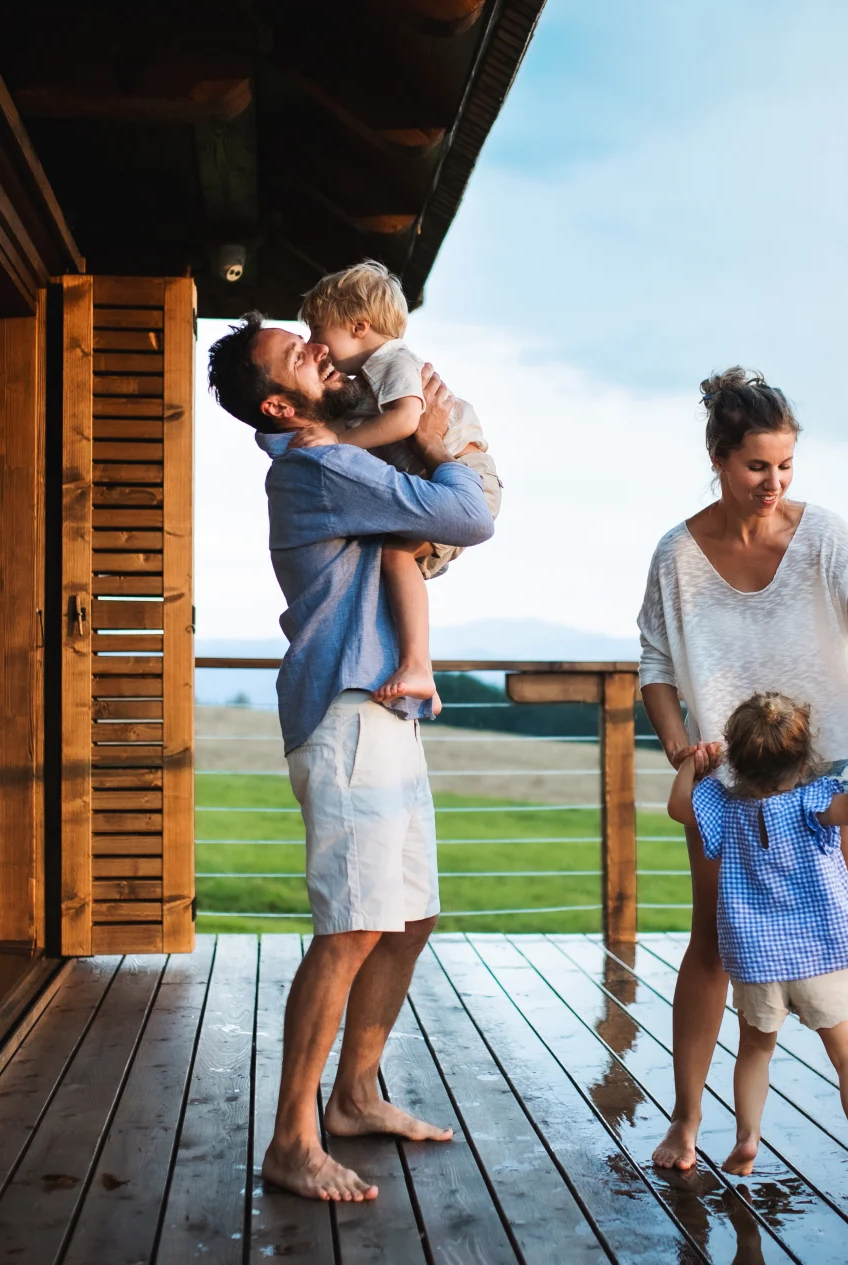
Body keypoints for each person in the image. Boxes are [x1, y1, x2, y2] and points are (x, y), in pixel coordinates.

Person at [206, 313, 494, 1202]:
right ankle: (293, 1138)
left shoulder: (332, 452)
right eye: (301, 353)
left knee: (407, 918)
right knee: (352, 928)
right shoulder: (320, 463)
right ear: (280, 403)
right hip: (348, 713)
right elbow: (468, 514)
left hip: (384, 710)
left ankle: (356, 1096)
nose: (322, 349)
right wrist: (442, 441)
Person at [638, 366, 848, 1169]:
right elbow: (654, 666)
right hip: (729, 788)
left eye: (785, 466)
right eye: (756, 466)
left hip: (835, 778)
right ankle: (685, 1121)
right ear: (718, 457)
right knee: (710, 943)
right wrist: (682, 746)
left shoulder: (825, 537)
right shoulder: (677, 556)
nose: (772, 482)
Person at [666, 692, 848, 1206]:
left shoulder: (722, 806)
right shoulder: (814, 801)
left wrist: (691, 765)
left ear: (736, 759)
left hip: (756, 964)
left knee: (754, 1051)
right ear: (803, 756)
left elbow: (679, 807)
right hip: (819, 958)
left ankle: (748, 1137)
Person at [293, 260, 503, 714]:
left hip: (465, 474)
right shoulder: (366, 377)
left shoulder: (394, 362)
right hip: (440, 477)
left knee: (392, 556)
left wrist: (338, 442)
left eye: (317, 331)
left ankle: (417, 667)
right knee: (389, 564)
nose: (314, 345)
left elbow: (407, 420)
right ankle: (420, 669)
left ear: (359, 326)